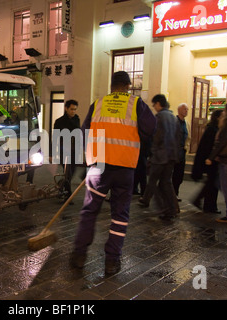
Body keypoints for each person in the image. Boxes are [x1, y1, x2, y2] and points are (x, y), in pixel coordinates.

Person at [70, 71, 156, 274]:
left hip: (99, 168)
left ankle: (79, 254)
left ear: (112, 86)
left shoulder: (98, 103)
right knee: (119, 214)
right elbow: (150, 129)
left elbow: (85, 131)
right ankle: (111, 261)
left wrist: (92, 156)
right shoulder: (136, 105)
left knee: (90, 211)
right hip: (125, 167)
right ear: (127, 85)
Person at [138, 94, 180, 220]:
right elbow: (178, 136)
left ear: (158, 104)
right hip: (171, 155)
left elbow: (157, 137)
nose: (154, 107)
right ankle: (173, 208)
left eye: (154, 105)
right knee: (166, 182)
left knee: (154, 181)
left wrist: (153, 151)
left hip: (160, 156)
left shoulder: (159, 117)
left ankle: (164, 208)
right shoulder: (173, 117)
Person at [191, 109, 223, 214]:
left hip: (212, 160)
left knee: (212, 183)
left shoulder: (215, 129)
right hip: (211, 160)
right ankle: (205, 203)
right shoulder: (212, 130)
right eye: (223, 116)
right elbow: (207, 147)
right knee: (212, 183)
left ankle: (208, 205)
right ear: (218, 118)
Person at [53, 99, 81, 203]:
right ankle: (68, 195)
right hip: (64, 150)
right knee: (68, 172)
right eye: (72, 109)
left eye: (75, 109)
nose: (73, 111)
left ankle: (62, 185)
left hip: (74, 150)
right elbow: (55, 137)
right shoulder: (59, 121)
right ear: (66, 108)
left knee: (71, 172)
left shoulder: (77, 119)